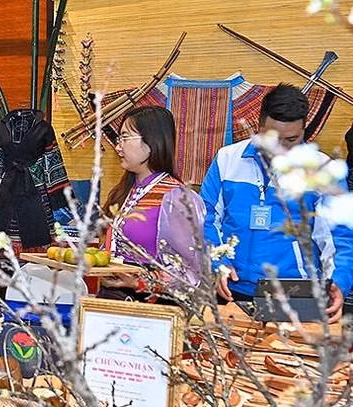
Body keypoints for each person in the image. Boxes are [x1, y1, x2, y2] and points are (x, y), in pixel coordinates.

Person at [201, 83, 353, 322]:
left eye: (292, 139)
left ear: (305, 130)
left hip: (297, 297)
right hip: (231, 291)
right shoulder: (227, 159)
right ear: (259, 127)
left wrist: (339, 281)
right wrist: (218, 262)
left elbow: (341, 237)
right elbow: (206, 218)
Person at [100, 106, 205, 302]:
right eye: (118, 139)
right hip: (112, 301)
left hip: (149, 307)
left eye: (125, 137)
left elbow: (190, 274)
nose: (118, 147)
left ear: (152, 141)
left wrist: (139, 282)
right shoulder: (125, 191)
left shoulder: (178, 198)